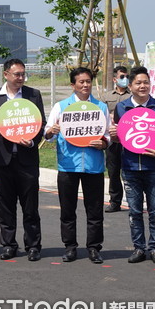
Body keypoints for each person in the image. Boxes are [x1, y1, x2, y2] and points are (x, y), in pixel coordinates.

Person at [0, 59, 45, 262]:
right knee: (5, 206)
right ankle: (9, 245)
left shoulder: (33, 95)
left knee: (30, 207)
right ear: (6, 74)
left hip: (27, 160)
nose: (21, 78)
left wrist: (32, 142)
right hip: (2, 161)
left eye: (23, 74)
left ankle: (33, 246)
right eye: (17, 74)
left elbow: (40, 125)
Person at [45, 67, 109, 264]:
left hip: (93, 166)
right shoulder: (61, 106)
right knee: (67, 209)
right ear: (73, 85)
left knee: (95, 210)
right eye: (81, 82)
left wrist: (104, 143)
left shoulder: (101, 107)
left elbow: (107, 136)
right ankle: (70, 246)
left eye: (88, 81)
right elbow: (48, 134)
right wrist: (51, 131)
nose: (85, 85)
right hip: (68, 165)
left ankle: (94, 247)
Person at [109, 66, 155, 264]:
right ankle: (139, 248)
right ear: (130, 86)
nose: (143, 86)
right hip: (130, 166)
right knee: (134, 211)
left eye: (146, 82)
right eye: (138, 83)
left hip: (154, 167)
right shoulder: (121, 108)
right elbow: (118, 139)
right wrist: (114, 137)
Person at [102, 66, 131, 213]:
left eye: (126, 76)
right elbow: (101, 115)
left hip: (129, 139)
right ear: (114, 79)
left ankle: (133, 201)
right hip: (113, 139)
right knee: (113, 171)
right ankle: (115, 201)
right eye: (121, 77)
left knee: (129, 171)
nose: (124, 79)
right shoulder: (106, 96)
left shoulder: (132, 96)